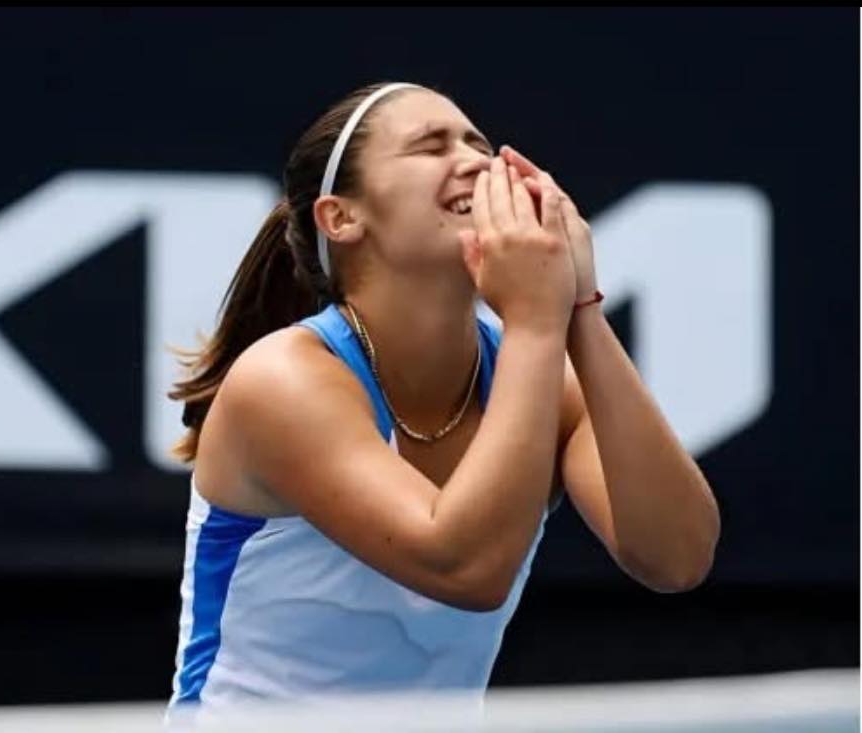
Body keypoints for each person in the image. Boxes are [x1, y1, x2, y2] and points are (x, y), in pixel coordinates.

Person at [165, 81, 720, 717]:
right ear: (341, 217)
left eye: (477, 143)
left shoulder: (539, 374)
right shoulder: (283, 381)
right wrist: (538, 323)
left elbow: (677, 557)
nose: (477, 162)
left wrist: (580, 309)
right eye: (432, 146)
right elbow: (466, 570)